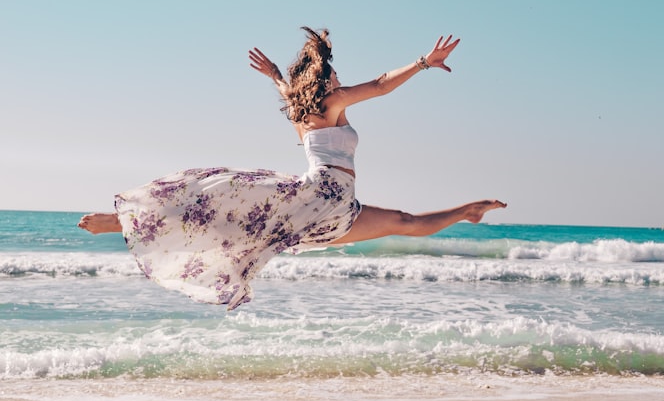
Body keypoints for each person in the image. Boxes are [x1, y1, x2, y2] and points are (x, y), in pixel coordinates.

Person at [78, 27, 506, 310]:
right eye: (335, 76)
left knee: (399, 221)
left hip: (332, 205)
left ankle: (466, 212)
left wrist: (275, 76)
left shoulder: (300, 109)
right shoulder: (330, 102)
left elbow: (288, 90)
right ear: (324, 82)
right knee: (227, 216)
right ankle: (121, 222)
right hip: (322, 198)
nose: (340, 81)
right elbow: (379, 85)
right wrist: (423, 62)